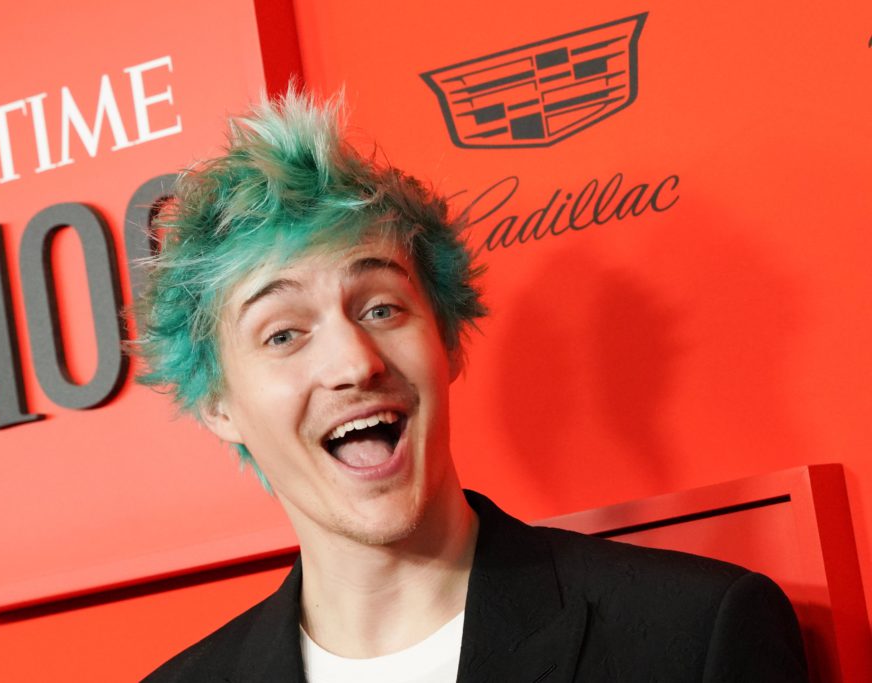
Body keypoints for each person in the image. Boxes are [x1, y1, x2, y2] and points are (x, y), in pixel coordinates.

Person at [136, 89, 807, 682]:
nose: (355, 363)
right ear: (217, 404)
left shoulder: (690, 636)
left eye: (381, 308)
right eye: (284, 334)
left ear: (447, 340)